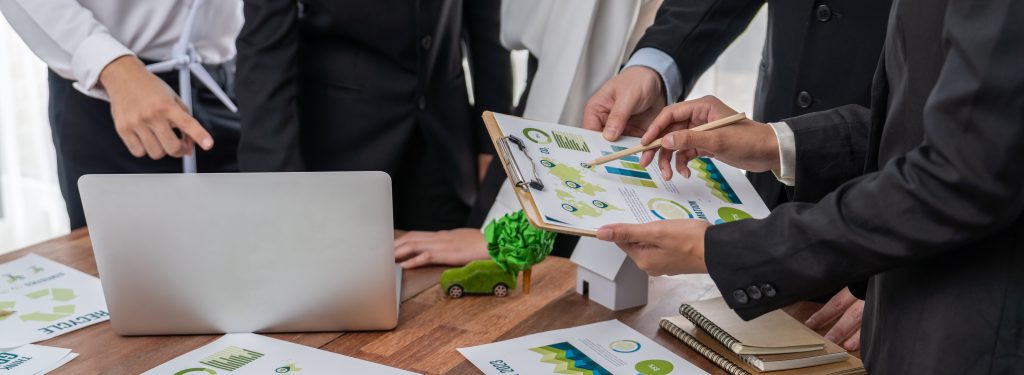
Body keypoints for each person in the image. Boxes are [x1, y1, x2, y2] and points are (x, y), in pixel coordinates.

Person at [597, 0, 1024, 372]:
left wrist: (727, 252)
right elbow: (926, 132)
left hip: (962, 324)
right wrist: (776, 142)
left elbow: (962, 175)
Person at [582, 0, 891, 350]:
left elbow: (940, 154)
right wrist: (653, 67)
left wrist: (904, 254)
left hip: (889, 239)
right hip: (767, 187)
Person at [394, 0, 663, 269]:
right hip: (555, 100)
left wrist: (500, 232)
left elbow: (574, 61)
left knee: (577, 277)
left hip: (582, 112)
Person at [236, 0, 511, 232]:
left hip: (446, 150)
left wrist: (492, 143)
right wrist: (278, 189)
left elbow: (490, 26)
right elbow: (264, 57)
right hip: (338, 155)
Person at [0, 0, 243, 229]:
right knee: (135, 255)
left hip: (231, 81)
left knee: (242, 241)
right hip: (110, 89)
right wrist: (109, 64)